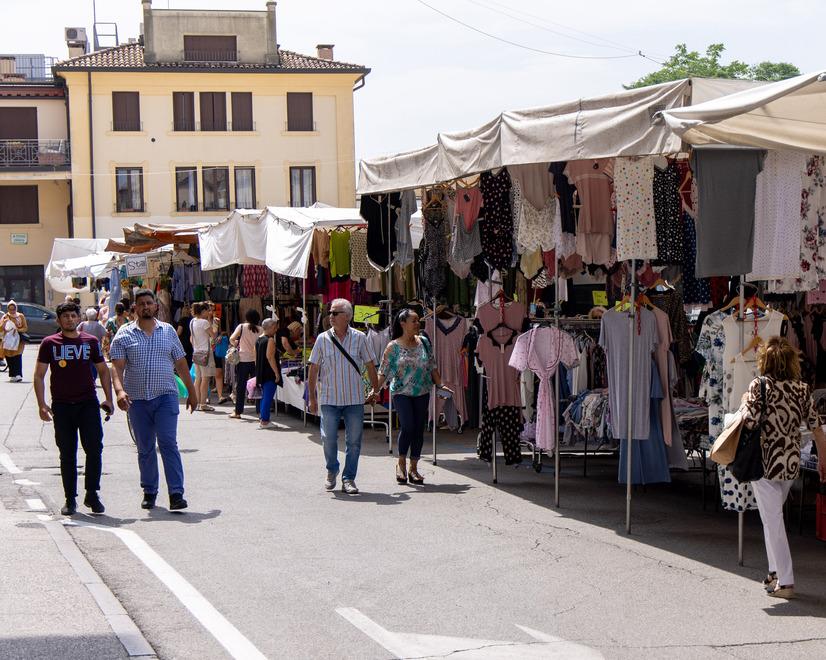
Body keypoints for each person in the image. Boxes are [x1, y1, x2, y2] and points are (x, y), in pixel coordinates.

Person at [740, 337, 826, 599]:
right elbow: (817, 429)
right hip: (789, 463)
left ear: (765, 361)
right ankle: (775, 573)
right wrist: (823, 459)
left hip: (763, 462)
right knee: (771, 518)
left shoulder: (759, 386)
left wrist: (745, 399)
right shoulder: (802, 389)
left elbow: (750, 421)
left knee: (773, 519)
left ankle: (786, 582)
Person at [110, 289, 197, 511]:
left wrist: (192, 391)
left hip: (165, 396)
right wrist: (119, 391)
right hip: (137, 400)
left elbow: (181, 363)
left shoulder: (168, 331)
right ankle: (150, 491)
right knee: (145, 447)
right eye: (142, 304)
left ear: (156, 307)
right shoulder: (124, 334)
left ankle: (176, 493)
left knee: (168, 443)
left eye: (150, 303)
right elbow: (117, 368)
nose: (146, 306)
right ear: (135, 309)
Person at [33, 302, 114, 515]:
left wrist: (108, 398)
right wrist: (42, 404)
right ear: (58, 321)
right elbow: (39, 375)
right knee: (67, 453)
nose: (69, 319)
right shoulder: (49, 343)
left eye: (72, 315)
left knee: (94, 449)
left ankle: (92, 493)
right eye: (65, 316)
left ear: (79, 318)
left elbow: (103, 371)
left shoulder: (90, 342)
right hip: (62, 406)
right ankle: (70, 499)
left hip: (88, 403)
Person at [370, 308, 451, 485]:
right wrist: (375, 390)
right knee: (407, 426)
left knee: (418, 429)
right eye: (414, 321)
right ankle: (401, 464)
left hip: (422, 391)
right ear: (403, 323)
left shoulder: (424, 342)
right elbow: (383, 372)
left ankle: (414, 467)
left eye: (418, 321)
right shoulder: (393, 347)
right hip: (401, 392)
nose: (418, 324)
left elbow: (432, 366)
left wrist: (441, 385)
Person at [308, 299, 379, 495]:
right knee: (328, 438)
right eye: (330, 312)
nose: (330, 316)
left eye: (335, 313)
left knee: (354, 442)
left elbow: (370, 364)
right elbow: (313, 368)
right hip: (330, 398)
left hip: (354, 399)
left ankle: (349, 478)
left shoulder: (360, 337)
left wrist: (375, 389)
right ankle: (332, 469)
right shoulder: (322, 339)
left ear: (347, 316)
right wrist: (312, 397)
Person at [229, 309, 261, 419]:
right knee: (257, 385)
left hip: (242, 360)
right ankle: (259, 410)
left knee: (241, 386)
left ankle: (238, 412)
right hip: (256, 361)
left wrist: (237, 344)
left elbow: (231, 338)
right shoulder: (260, 330)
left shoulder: (241, 327)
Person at [189, 302, 217, 412]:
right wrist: (214, 324)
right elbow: (213, 335)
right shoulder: (204, 322)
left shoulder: (192, 322)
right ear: (203, 311)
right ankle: (203, 403)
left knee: (198, 379)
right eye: (207, 310)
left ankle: (197, 403)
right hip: (205, 353)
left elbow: (191, 338)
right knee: (205, 379)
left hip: (196, 353)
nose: (209, 312)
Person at [255, 318, 282, 429]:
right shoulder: (270, 340)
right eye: (275, 327)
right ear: (270, 327)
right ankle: (265, 421)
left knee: (265, 396)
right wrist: (276, 373)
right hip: (269, 371)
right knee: (267, 397)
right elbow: (270, 357)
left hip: (261, 371)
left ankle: (263, 418)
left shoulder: (258, 340)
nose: (276, 330)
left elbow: (255, 358)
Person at [1, 300, 28, 382]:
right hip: (8, 341)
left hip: (18, 341)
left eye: (13, 309)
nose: (12, 311)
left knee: (17, 357)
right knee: (9, 358)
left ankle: (18, 374)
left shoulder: (21, 316)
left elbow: (25, 328)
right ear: (8, 309)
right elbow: (1, 329)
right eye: (10, 309)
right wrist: (4, 324)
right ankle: (12, 374)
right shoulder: (5, 317)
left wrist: (17, 329)